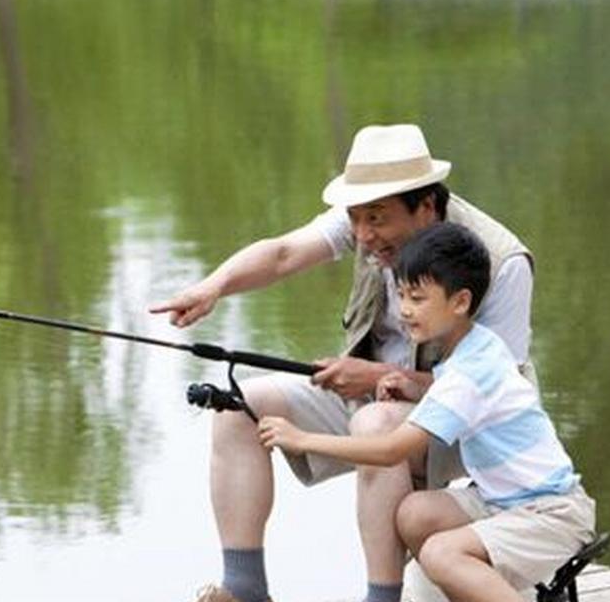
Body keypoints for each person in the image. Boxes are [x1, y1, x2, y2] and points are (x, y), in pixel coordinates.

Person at [150, 124, 536, 602]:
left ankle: (382, 598)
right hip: (375, 399)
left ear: (427, 207)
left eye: (376, 219)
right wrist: (212, 288)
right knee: (240, 406)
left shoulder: (502, 262)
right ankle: (245, 590)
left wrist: (375, 378)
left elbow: (494, 388)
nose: (362, 234)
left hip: (469, 426)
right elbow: (283, 253)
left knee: (375, 422)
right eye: (354, 219)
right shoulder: (367, 225)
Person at [258, 223, 596, 602]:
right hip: (502, 501)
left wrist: (301, 439)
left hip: (551, 514)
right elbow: (464, 394)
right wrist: (414, 386)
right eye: (401, 295)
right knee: (415, 514)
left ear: (460, 302)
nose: (404, 310)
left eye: (417, 299)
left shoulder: (468, 371)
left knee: (440, 553)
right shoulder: (476, 347)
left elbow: (390, 451)